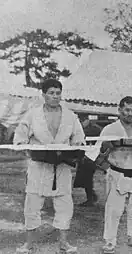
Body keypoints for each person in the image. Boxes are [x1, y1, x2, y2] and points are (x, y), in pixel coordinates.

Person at [13, 79, 85, 254]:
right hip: (39, 167)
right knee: (32, 205)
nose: (55, 96)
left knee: (64, 204)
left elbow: (79, 138)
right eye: (51, 93)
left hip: (62, 167)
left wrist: (73, 151)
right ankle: (28, 244)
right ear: (43, 94)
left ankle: (63, 243)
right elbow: (20, 138)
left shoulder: (70, 116)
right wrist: (31, 151)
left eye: (58, 93)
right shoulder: (32, 115)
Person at [90, 96, 132, 254]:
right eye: (126, 110)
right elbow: (97, 156)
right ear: (119, 110)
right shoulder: (110, 129)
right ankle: (110, 241)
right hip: (117, 173)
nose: (130, 113)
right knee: (113, 209)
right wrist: (108, 166)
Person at [73, 115, 102, 206]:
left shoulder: (93, 129)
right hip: (85, 158)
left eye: (82, 122)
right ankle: (91, 196)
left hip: (90, 158)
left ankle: (91, 198)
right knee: (86, 179)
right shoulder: (92, 128)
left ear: (86, 120)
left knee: (87, 179)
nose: (81, 124)